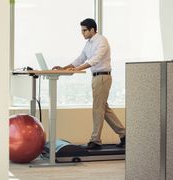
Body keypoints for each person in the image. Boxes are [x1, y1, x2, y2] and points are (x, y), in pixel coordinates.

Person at [52, 18, 125, 149]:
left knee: (98, 109)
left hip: (103, 77)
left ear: (92, 29)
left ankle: (95, 141)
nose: (82, 33)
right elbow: (81, 58)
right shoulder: (89, 43)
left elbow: (95, 59)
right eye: (81, 31)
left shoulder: (102, 41)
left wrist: (77, 69)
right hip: (96, 78)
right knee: (103, 109)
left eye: (84, 30)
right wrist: (63, 68)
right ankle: (124, 135)